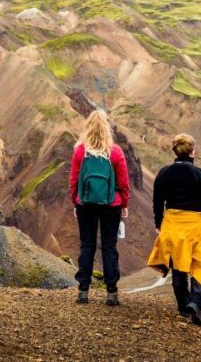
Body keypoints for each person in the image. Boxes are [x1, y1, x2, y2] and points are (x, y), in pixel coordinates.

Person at [147, 134, 201, 327]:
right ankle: (195, 302)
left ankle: (183, 308)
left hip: (172, 225)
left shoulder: (164, 173)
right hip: (196, 226)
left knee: (178, 267)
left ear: (175, 151)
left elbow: (158, 202)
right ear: (193, 152)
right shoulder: (200, 174)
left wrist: (158, 224)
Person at [69, 110, 130, 306]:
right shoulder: (115, 152)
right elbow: (123, 182)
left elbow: (73, 181)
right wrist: (124, 204)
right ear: (107, 128)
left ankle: (83, 291)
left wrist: (75, 201)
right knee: (109, 247)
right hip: (111, 205)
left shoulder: (80, 151)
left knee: (87, 246)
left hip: (85, 204)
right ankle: (111, 293)